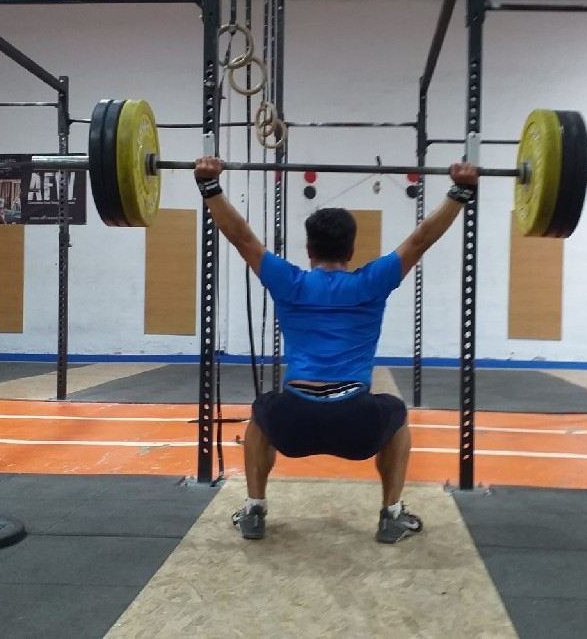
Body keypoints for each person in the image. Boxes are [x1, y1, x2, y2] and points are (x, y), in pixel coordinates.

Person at [194, 156, 478, 543]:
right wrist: (459, 192)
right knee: (396, 413)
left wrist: (209, 186)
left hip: (295, 421)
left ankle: (254, 510)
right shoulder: (371, 282)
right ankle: (391, 515)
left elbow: (242, 237)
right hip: (355, 422)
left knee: (261, 413)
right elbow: (421, 239)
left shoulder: (289, 282)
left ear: (309, 249)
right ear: (351, 249)